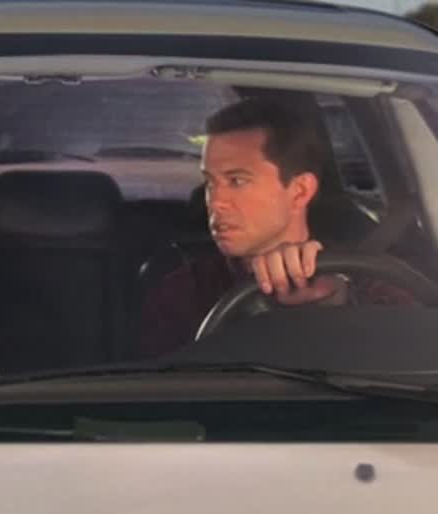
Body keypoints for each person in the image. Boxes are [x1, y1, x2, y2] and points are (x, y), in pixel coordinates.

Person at [139, 97, 410, 356]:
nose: (216, 201)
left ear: (300, 191)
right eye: (211, 182)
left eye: (237, 181)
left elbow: (411, 359)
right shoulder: (185, 291)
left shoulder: (369, 279)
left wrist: (342, 308)